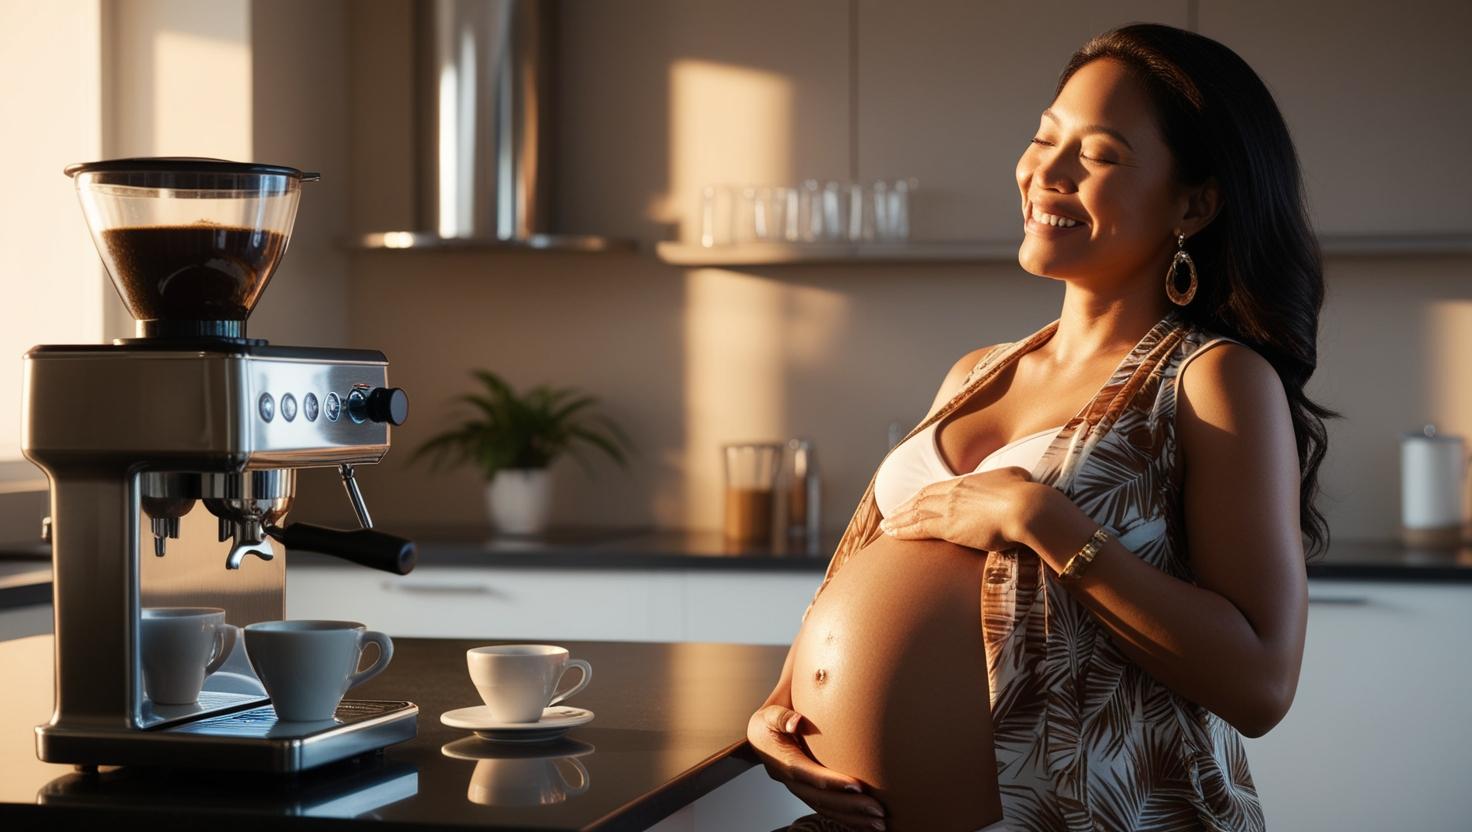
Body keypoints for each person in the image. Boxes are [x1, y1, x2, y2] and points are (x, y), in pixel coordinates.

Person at [749, 22, 1335, 832]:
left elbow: (1262, 685)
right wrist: (779, 711)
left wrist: (1039, 520)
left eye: (1097, 155)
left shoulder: (1211, 380)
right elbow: (869, 564)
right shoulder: (977, 373)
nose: (1044, 172)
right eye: (1043, 137)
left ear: (1195, 202)